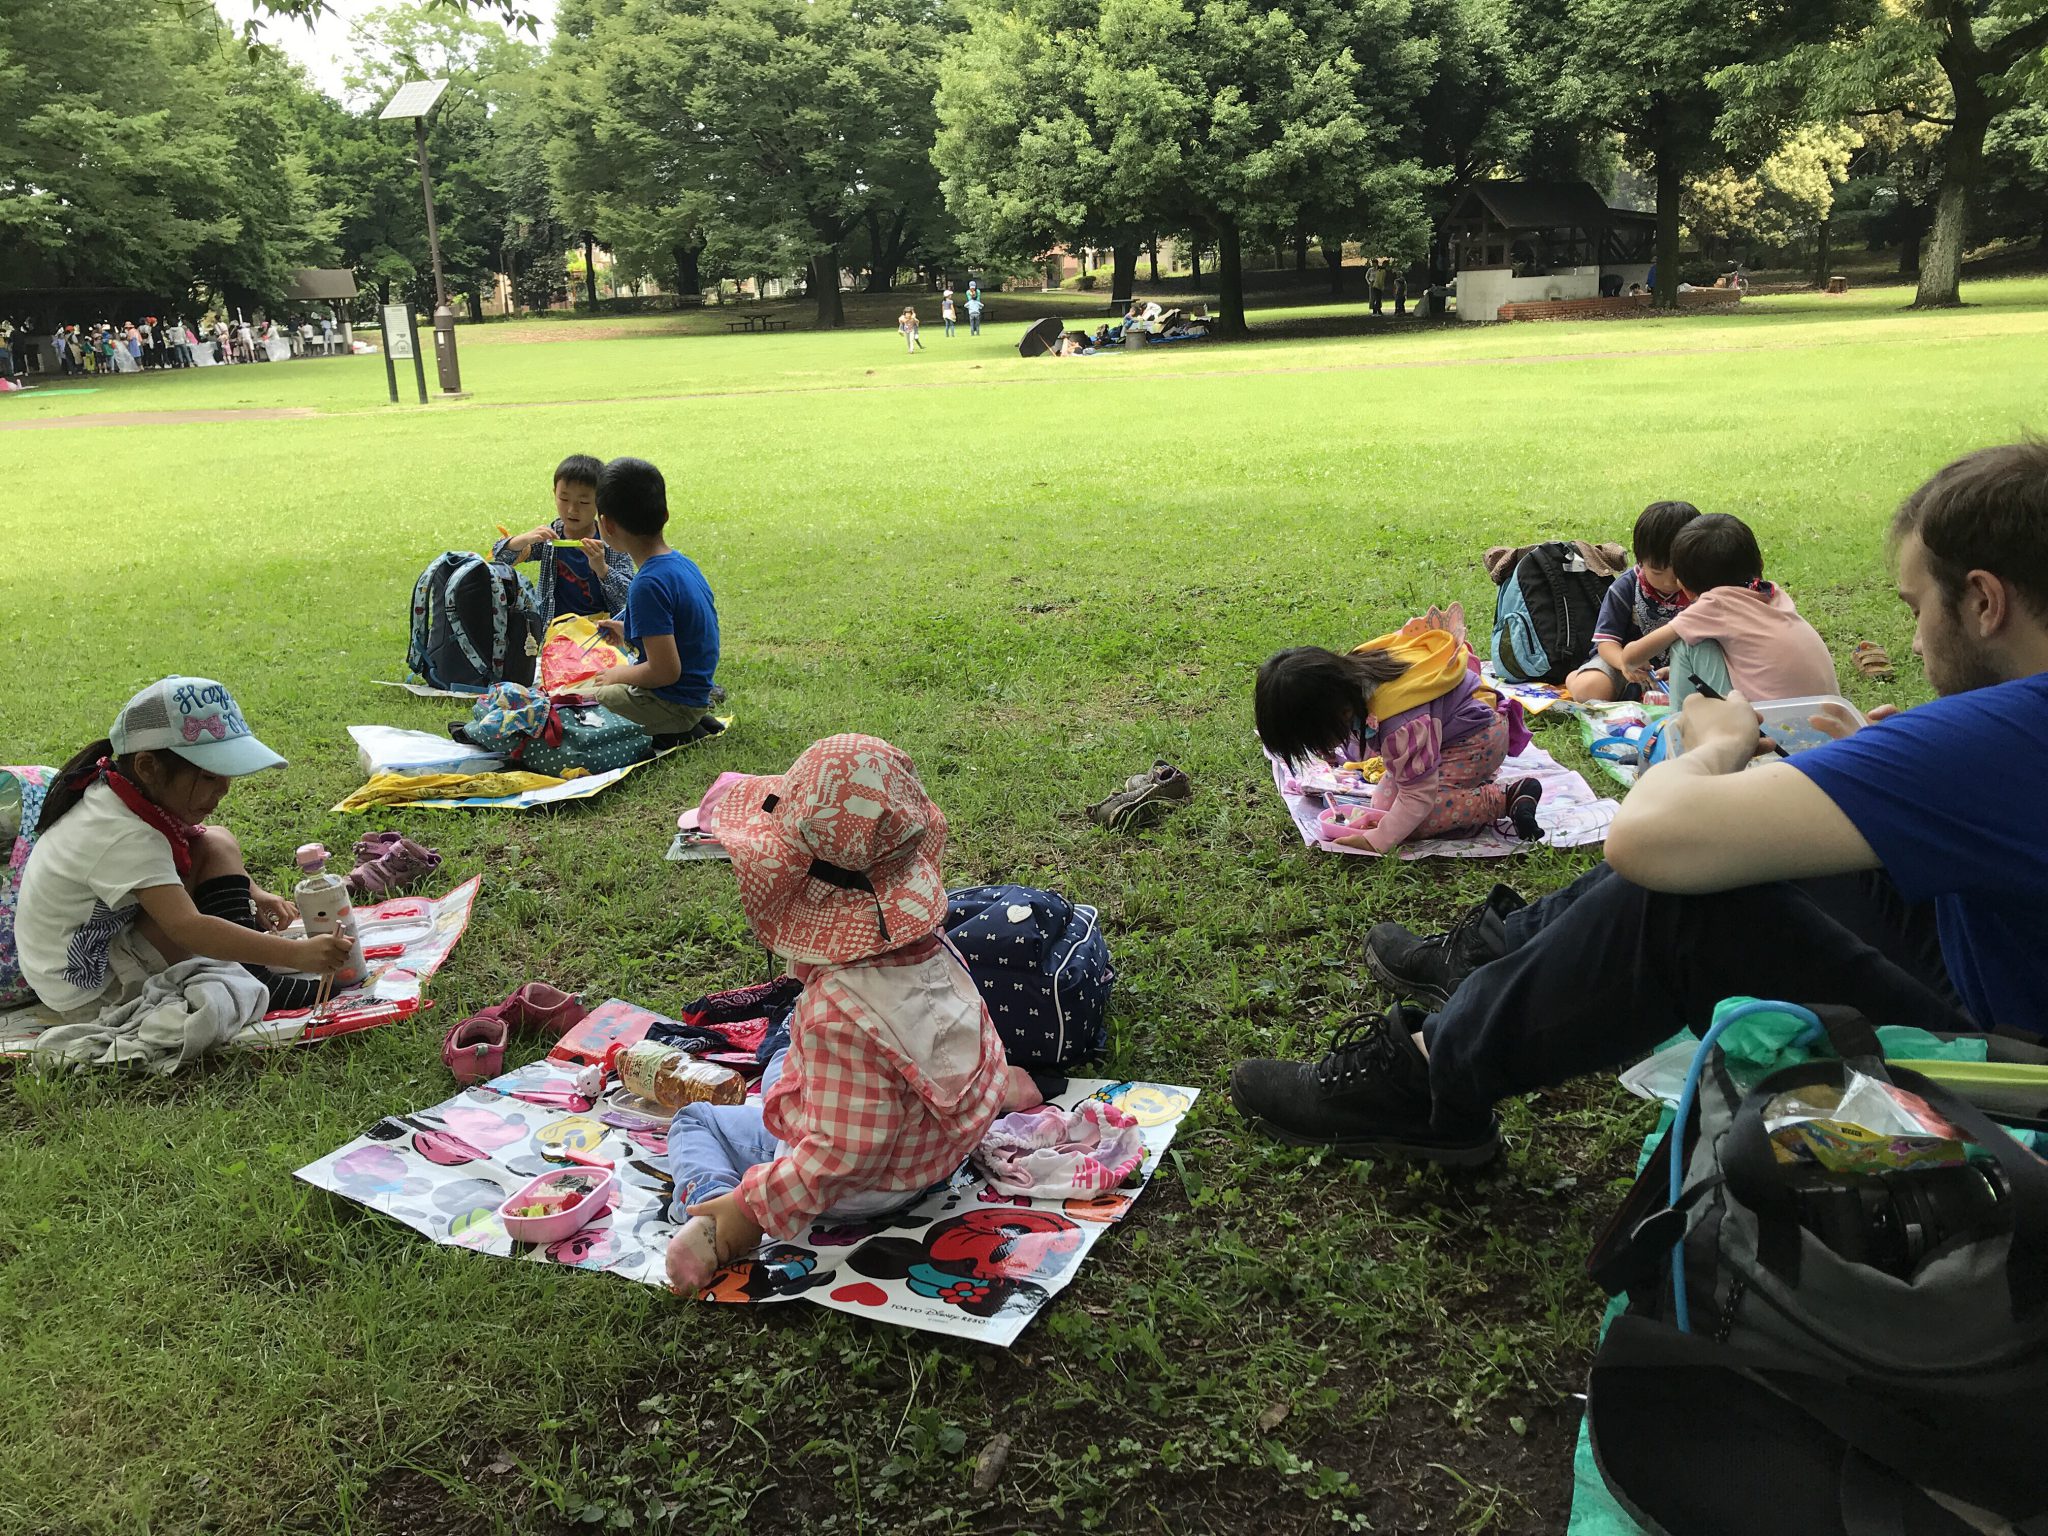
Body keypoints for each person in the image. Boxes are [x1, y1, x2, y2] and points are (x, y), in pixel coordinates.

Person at [1229, 441, 2048, 1166]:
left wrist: (1718, 744)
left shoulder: (2012, 732)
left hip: (2005, 1073)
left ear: (1984, 601)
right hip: (1986, 988)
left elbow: (1646, 839)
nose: (1913, 640)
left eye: (1916, 609)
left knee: (1689, 896)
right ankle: (1491, 954)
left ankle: (1428, 1079)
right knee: (1758, 842)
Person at [663, 734, 1024, 1293]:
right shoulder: (935, 946)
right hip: (934, 1154)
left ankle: (710, 1216)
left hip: (860, 1190)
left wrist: (752, 1209)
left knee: (696, 1120)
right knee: (789, 1050)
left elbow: (842, 1154)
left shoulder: (837, 1014)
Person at [15, 677, 354, 1024]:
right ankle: (256, 979)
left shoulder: (122, 792)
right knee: (208, 875)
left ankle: (249, 967)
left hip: (100, 946)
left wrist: (252, 891)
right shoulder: (123, 834)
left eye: (228, 773)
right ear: (148, 767)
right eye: (209, 776)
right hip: (93, 988)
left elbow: (194, 843)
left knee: (215, 841)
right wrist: (296, 953)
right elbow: (187, 928)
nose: (224, 789)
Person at [1255, 612, 1544, 855]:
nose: (1320, 750)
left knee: (1415, 821)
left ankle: (1505, 797)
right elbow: (1366, 740)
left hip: (1478, 739)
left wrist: (1377, 841)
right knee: (1382, 808)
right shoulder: (1351, 679)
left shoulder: (1399, 725)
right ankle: (1462, 783)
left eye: (1317, 741)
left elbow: (1418, 795)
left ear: (1338, 714)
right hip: (1449, 729)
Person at [1620, 512, 1836, 707]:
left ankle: (1680, 729)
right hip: (1832, 726)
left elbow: (1631, 657)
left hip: (1768, 729)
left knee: (1686, 644)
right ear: (1760, 564)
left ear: (1684, 588)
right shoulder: (1770, 593)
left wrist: (1631, 658)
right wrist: (1680, 672)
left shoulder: (1715, 605)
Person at [588, 456, 722, 743]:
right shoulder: (681, 564)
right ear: (665, 513)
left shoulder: (647, 584)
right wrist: (627, 630)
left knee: (578, 703)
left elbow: (665, 671)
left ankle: (676, 728)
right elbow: (683, 634)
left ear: (606, 525)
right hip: (692, 697)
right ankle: (687, 723)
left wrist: (619, 674)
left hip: (671, 703)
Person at [1566, 500, 1701, 703]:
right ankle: (1574, 678)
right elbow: (1606, 642)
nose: (1669, 582)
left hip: (1681, 668)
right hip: (1624, 665)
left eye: (1680, 572)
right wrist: (1624, 664)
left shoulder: (1702, 588)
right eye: (1657, 572)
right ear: (1640, 560)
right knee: (1589, 689)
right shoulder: (1626, 588)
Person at [492, 453, 636, 626]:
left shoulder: (612, 542)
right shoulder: (550, 537)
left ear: (601, 501)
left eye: (583, 502)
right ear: (555, 494)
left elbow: (630, 595)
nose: (572, 510)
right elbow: (501, 559)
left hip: (601, 632)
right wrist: (524, 539)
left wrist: (602, 569)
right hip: (555, 629)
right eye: (564, 499)